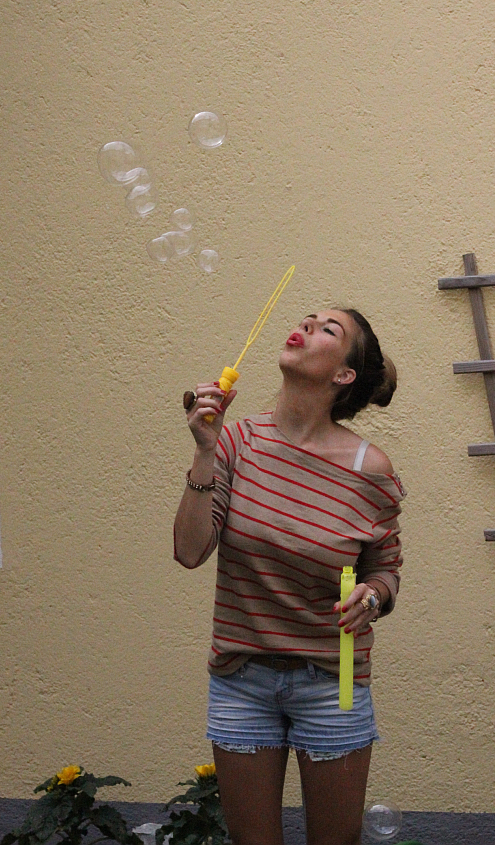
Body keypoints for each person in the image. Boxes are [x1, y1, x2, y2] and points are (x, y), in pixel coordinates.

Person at [174, 308, 406, 845]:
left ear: (343, 374)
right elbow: (190, 552)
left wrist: (371, 597)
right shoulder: (237, 443)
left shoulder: (368, 468)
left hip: (334, 678)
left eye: (329, 329)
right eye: (308, 318)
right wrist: (204, 451)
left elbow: (385, 568)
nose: (306, 327)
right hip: (241, 679)